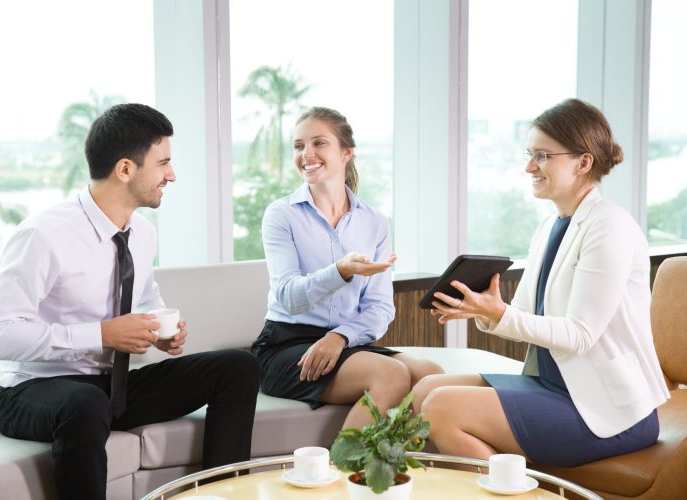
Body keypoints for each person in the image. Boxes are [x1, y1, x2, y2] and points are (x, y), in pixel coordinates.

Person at [0, 103, 260, 499]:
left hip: (109, 389)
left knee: (238, 368)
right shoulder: (45, 235)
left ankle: (218, 496)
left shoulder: (142, 232)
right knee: (84, 403)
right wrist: (102, 335)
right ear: (126, 169)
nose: (172, 174)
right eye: (163, 163)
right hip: (32, 391)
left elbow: (145, 295)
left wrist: (160, 331)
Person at [412, 98, 670, 467]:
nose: (529, 167)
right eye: (529, 154)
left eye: (543, 156)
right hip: (554, 385)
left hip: (607, 409)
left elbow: (579, 334)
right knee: (424, 390)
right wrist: (482, 311)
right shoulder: (550, 226)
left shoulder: (609, 227)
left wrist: (500, 315)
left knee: (441, 407)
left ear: (583, 163)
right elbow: (519, 320)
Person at [251, 107, 443, 429]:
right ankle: (344, 476)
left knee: (431, 375)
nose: (306, 154)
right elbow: (287, 297)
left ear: (346, 152)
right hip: (286, 345)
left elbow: (380, 307)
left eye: (319, 143)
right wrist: (340, 270)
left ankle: (401, 469)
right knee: (391, 374)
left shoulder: (375, 221)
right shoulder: (281, 215)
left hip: (347, 344)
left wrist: (340, 336)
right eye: (299, 146)